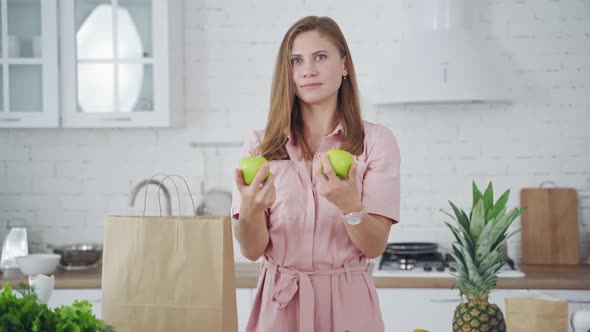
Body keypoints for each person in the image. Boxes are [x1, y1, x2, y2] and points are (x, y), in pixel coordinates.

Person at [231, 16, 401, 332]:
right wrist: (252, 211)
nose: (308, 70)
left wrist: (351, 206)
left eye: (320, 57)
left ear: (344, 65)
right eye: (296, 61)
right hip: (279, 305)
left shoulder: (375, 142)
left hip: (348, 306)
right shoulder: (260, 144)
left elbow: (375, 245)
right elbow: (251, 250)